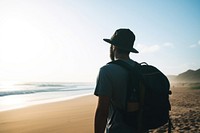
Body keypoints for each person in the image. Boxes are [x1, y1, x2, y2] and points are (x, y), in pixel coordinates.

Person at [94, 29, 146, 133]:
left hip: (117, 129)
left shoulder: (106, 71)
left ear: (114, 46)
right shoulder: (141, 69)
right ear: (129, 49)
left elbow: (102, 111)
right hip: (141, 128)